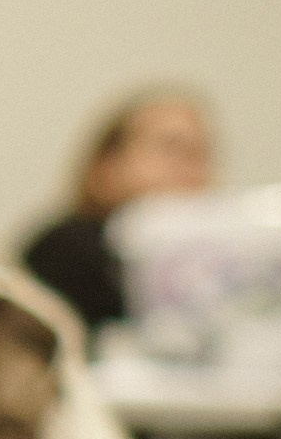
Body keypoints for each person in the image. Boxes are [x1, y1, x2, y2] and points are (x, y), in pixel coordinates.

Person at [18, 88, 216, 339]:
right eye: (171, 148)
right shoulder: (66, 248)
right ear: (108, 165)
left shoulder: (214, 266)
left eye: (200, 154)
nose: (189, 168)